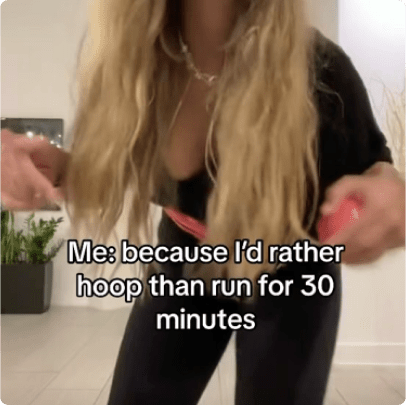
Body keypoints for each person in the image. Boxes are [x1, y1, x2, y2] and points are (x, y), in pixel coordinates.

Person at [1, 0, 405, 404]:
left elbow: (377, 167)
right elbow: (110, 171)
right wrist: (54, 168)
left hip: (293, 268)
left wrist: (391, 196)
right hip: (184, 257)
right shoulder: (133, 68)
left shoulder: (320, 70)